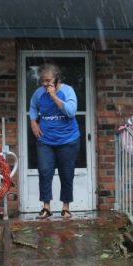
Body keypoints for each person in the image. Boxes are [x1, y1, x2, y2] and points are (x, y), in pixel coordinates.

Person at [29, 63, 80, 219]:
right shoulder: (39, 93)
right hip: (46, 140)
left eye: (48, 80)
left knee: (66, 173)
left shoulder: (67, 91)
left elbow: (71, 112)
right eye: (43, 81)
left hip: (68, 139)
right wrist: (33, 123)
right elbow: (33, 107)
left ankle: (66, 207)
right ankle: (46, 207)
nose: (45, 84)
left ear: (57, 79)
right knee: (44, 171)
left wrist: (53, 96)